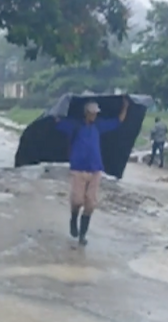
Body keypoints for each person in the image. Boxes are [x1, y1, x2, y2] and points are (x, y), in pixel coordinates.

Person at [53, 97, 129, 246]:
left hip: (95, 169)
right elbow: (57, 122)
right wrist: (57, 109)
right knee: (77, 200)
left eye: (96, 113)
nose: (94, 116)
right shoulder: (75, 126)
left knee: (90, 204)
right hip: (78, 169)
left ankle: (82, 235)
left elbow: (118, 121)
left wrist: (125, 107)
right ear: (86, 113)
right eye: (92, 113)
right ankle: (74, 218)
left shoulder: (99, 126)